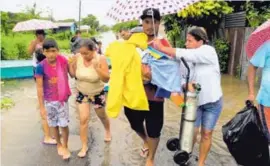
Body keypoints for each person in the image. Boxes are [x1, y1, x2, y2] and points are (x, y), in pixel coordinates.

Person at [153, 27, 223, 166]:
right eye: (186, 41)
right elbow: (181, 79)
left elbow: (186, 54)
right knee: (191, 132)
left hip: (212, 101)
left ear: (200, 41)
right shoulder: (185, 60)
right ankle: (186, 155)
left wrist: (161, 47)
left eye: (189, 41)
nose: (186, 43)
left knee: (207, 133)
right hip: (193, 101)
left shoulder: (208, 51)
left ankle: (201, 163)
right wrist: (186, 85)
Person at [123, 8, 171, 166]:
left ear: (159, 23)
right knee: (134, 122)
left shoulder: (163, 43)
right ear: (142, 23)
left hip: (155, 95)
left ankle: (150, 158)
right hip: (134, 93)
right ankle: (145, 140)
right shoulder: (133, 42)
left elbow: (169, 71)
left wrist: (152, 76)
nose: (150, 25)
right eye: (147, 22)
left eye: (154, 22)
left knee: (154, 128)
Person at [69, 39, 111, 158]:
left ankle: (107, 129)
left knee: (102, 115)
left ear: (94, 50)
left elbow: (106, 79)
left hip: (97, 93)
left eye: (86, 53)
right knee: (83, 119)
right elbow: (72, 75)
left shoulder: (100, 58)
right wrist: (71, 65)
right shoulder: (78, 57)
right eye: (82, 53)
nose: (84, 56)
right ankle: (84, 146)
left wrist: (97, 68)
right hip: (82, 92)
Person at [35, 39, 72, 160]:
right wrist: (41, 107)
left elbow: (72, 75)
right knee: (54, 124)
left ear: (58, 51)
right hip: (50, 100)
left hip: (62, 99)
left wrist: (73, 63)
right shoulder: (40, 67)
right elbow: (39, 88)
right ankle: (59, 144)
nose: (51, 54)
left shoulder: (63, 61)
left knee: (64, 124)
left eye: (53, 51)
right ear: (43, 52)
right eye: (48, 51)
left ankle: (65, 146)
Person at [28, 30, 56, 145]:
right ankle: (42, 102)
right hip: (37, 66)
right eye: (38, 35)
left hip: (47, 66)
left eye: (41, 35)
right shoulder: (33, 42)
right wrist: (34, 44)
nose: (40, 37)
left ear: (44, 35)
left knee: (49, 86)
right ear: (36, 36)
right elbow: (29, 53)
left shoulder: (47, 43)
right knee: (40, 86)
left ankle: (51, 130)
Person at [247, 41, 270, 144]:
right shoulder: (267, 45)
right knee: (267, 135)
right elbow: (252, 66)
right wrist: (251, 93)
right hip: (266, 100)